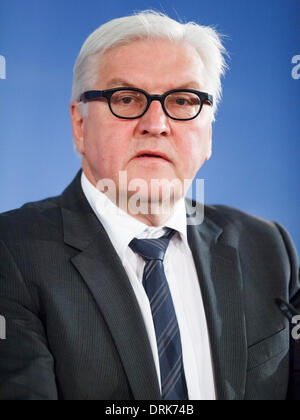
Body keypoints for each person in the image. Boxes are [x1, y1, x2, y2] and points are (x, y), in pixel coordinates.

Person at [0, 11, 299, 401]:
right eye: (126, 98)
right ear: (79, 124)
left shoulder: (267, 247)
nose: (156, 123)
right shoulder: (11, 250)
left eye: (183, 100)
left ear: (208, 133)